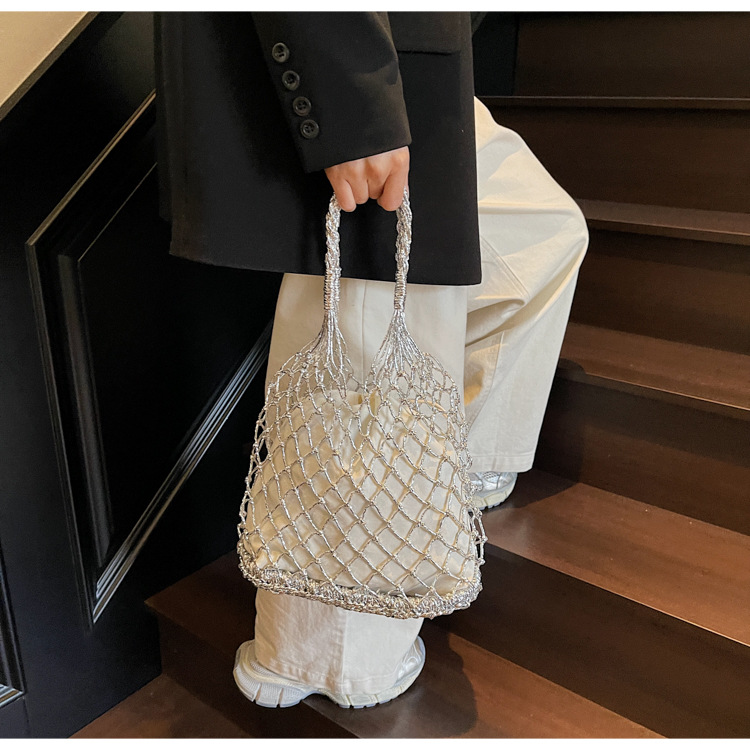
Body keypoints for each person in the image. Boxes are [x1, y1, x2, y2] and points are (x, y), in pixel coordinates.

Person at [154, 11, 588, 710]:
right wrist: (350, 105)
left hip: (425, 59)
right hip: (368, 63)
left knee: (545, 232)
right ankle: (326, 658)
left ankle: (452, 474)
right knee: (363, 333)